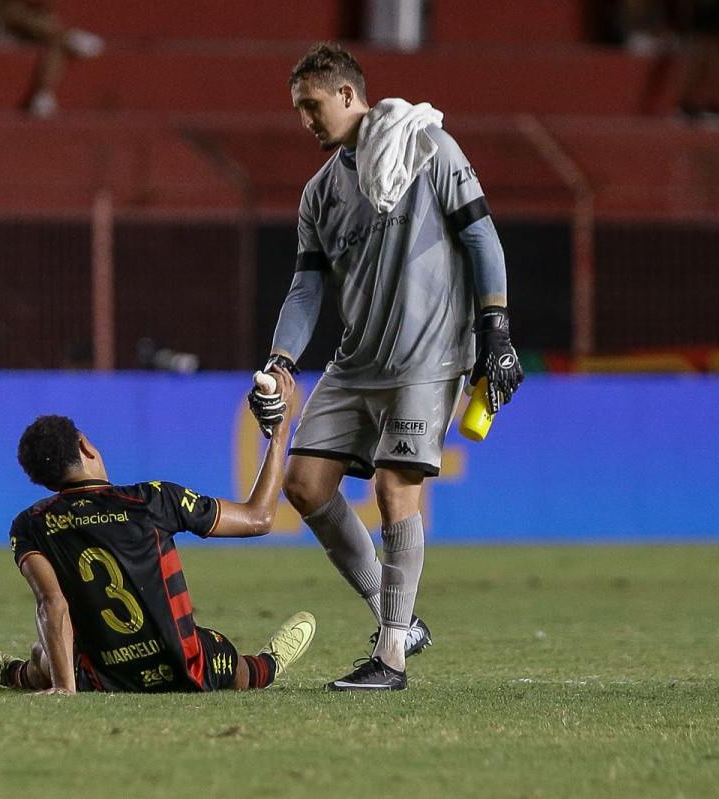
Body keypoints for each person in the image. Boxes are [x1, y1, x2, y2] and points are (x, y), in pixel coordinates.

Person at [249, 43, 523, 691]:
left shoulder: (428, 147)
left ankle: (391, 657)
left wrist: (496, 328)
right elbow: (306, 288)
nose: (305, 120)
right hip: (357, 361)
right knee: (305, 485)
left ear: (348, 94)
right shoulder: (320, 193)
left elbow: (481, 235)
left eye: (312, 105)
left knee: (395, 488)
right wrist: (280, 361)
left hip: (429, 356)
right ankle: (396, 615)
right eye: (298, 109)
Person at [0, 369, 317, 694]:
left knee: (43, 655)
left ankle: (18, 674)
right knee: (231, 663)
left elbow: (52, 602)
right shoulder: (154, 499)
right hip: (185, 668)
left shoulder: (31, 523)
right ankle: (267, 665)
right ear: (85, 447)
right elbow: (259, 518)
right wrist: (279, 432)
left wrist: (65, 687)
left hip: (103, 676)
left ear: (45, 482)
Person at [0, 0, 104, 118]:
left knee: (55, 41)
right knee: (17, 14)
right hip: (1, 23)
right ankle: (68, 37)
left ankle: (44, 94)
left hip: (32, 23)